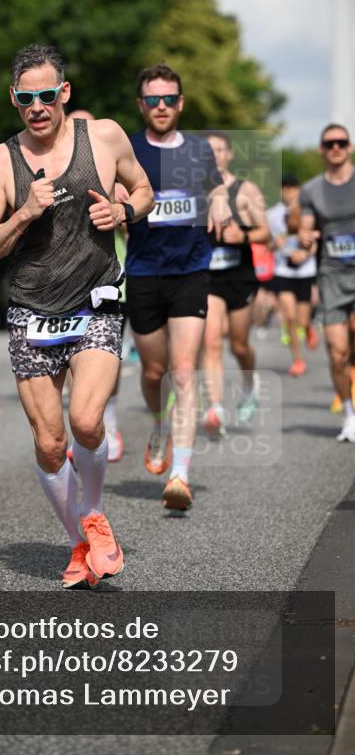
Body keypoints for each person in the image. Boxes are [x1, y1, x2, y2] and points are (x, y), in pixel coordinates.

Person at [0, 44, 154, 588]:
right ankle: (79, 542)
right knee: (51, 444)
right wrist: (24, 214)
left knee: (85, 421)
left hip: (95, 298)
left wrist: (124, 210)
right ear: (14, 99)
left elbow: (145, 190)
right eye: (26, 98)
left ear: (64, 93)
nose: (37, 106)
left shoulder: (103, 137)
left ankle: (94, 515)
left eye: (46, 95)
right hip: (32, 309)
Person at [124, 63, 231, 510]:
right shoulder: (127, 149)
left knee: (183, 371)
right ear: (141, 105)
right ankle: (159, 424)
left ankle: (180, 474)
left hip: (190, 271)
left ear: (181, 103)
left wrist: (221, 201)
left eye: (169, 99)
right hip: (144, 272)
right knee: (154, 372)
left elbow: (217, 188)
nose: (162, 106)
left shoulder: (199, 150)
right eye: (153, 100)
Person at [201, 131, 271, 435]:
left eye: (220, 150)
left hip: (239, 276)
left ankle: (247, 380)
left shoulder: (246, 191)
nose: (215, 155)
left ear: (229, 154)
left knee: (240, 344)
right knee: (211, 341)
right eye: (209, 150)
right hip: (207, 277)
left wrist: (241, 235)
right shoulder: (194, 190)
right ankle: (215, 406)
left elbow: (265, 233)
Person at [67, 108, 125, 462]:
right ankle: (85, 424)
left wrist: (118, 211)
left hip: (112, 282)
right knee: (74, 359)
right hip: (65, 288)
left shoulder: (111, 171)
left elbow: (138, 207)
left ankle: (109, 419)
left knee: (104, 360)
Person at [299, 123, 355, 443]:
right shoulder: (312, 189)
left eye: (341, 142)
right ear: (322, 149)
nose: (335, 148)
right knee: (337, 351)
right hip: (332, 274)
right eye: (329, 143)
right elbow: (306, 231)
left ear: (349, 147)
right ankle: (349, 414)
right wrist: (305, 238)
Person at [267, 175, 319, 376]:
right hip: (283, 271)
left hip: (305, 271)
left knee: (302, 320)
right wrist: (275, 245)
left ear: (298, 189)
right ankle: (298, 359)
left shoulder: (309, 212)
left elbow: (315, 241)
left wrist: (305, 254)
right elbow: (266, 242)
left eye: (292, 187)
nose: (288, 191)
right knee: (288, 316)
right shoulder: (272, 215)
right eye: (284, 188)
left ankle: (307, 328)